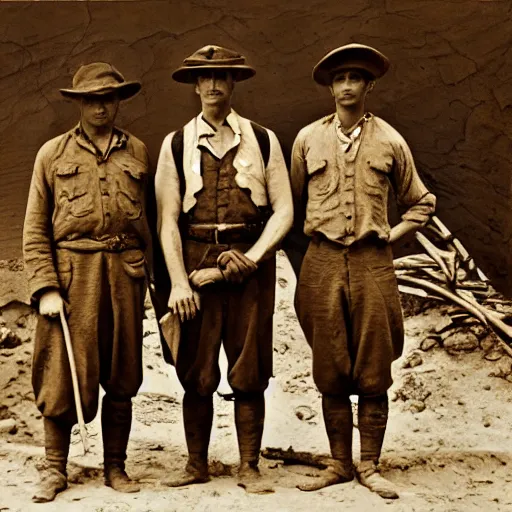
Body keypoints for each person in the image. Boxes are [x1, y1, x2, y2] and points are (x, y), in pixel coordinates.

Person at [289, 43, 436, 499]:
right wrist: (308, 262)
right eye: (339, 79)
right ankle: (338, 462)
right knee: (329, 364)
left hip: (373, 263)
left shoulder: (390, 140)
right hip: (322, 261)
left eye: (355, 78)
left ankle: (369, 465)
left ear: (369, 85)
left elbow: (422, 202)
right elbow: (290, 208)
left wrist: (391, 235)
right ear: (330, 88)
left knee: (374, 364)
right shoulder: (307, 139)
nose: (347, 86)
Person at [153, 45, 293, 493]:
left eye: (223, 77)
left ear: (234, 84)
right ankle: (197, 464)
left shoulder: (263, 139)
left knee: (249, 366)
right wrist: (178, 282)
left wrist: (252, 259)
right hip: (195, 263)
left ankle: (249, 466)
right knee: (196, 370)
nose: (214, 85)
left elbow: (285, 212)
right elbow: (167, 220)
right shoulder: (175, 144)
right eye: (205, 78)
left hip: (251, 263)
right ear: (195, 86)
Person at [23, 62, 151, 502]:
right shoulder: (52, 155)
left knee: (122, 370)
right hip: (72, 276)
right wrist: (46, 288)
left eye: (109, 98)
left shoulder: (137, 151)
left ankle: (115, 466)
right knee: (62, 373)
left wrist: (147, 282)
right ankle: (54, 469)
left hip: (124, 274)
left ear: (119, 101)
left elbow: (150, 225)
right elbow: (35, 228)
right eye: (92, 99)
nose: (101, 106)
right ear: (79, 103)